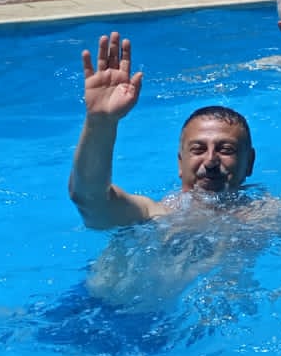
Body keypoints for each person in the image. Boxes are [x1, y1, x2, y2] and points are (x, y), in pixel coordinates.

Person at [68, 31, 258, 230]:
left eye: (226, 150)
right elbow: (89, 199)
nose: (210, 161)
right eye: (198, 149)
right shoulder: (154, 216)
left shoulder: (267, 217)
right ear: (180, 163)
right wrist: (101, 121)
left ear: (249, 162)